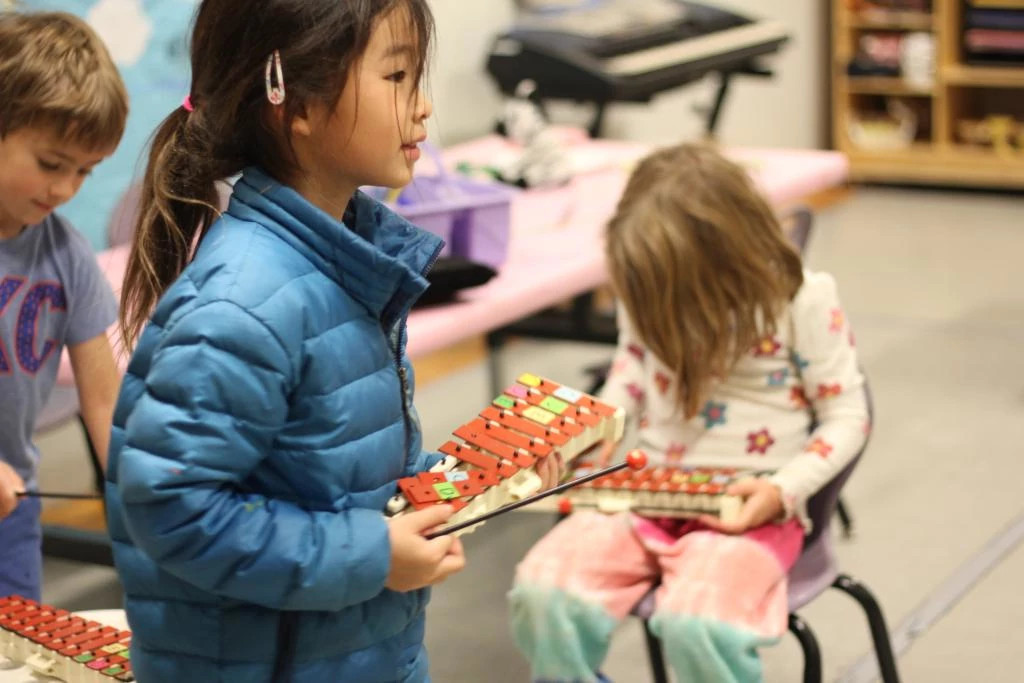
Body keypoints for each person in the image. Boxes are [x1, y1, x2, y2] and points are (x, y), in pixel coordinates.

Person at [106, 1, 560, 680]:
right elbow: (174, 507)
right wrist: (373, 555)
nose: (424, 106)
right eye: (397, 77)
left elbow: (336, 477)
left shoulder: (340, 263)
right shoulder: (244, 302)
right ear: (294, 103)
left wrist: (475, 482)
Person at [509, 143, 870, 683]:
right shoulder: (652, 286)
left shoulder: (803, 300)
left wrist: (783, 489)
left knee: (698, 625)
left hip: (750, 510)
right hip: (646, 494)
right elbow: (631, 368)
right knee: (543, 592)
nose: (664, 312)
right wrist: (597, 425)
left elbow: (847, 416)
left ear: (732, 262)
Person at [0, 11, 127, 601]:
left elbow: (102, 398)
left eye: (84, 172)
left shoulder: (66, 254)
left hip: (13, 509)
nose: (65, 189)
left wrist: (132, 484)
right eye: (51, 165)